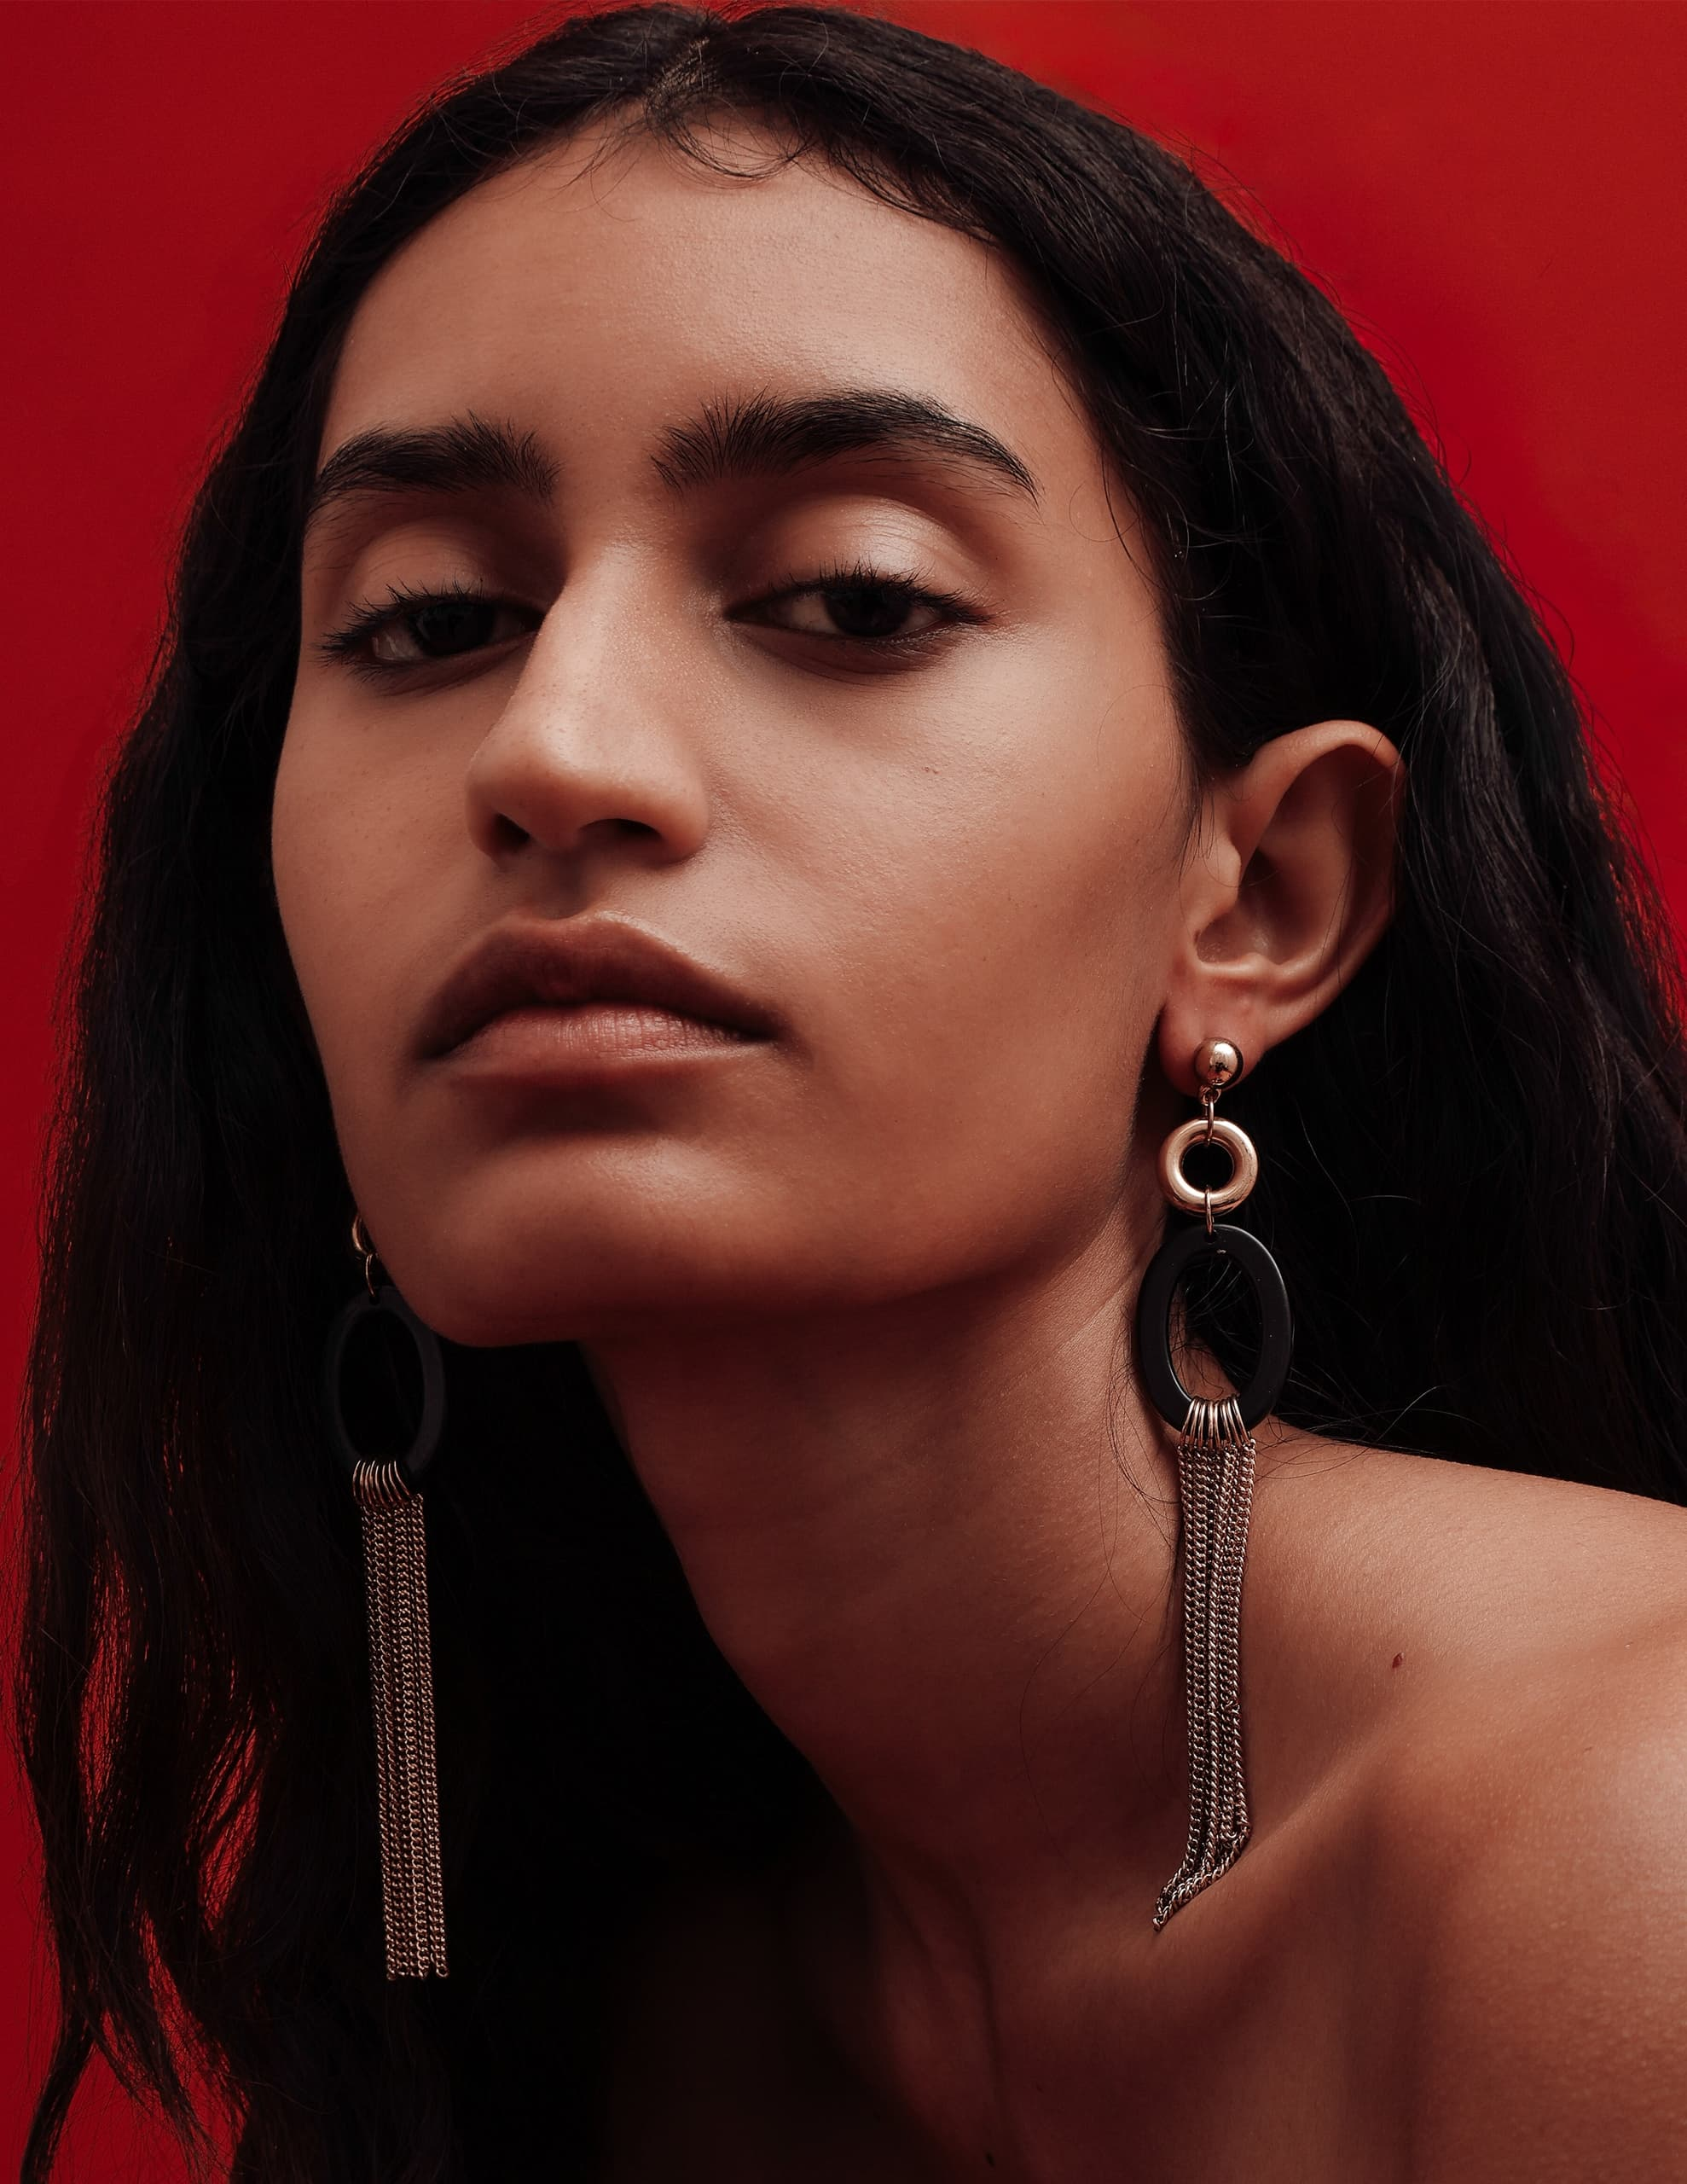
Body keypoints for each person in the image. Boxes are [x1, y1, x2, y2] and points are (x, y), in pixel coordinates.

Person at [17, 3, 1687, 2178]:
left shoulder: (1627, 1837)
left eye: (847, 595)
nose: (552, 751)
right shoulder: (634, 2012)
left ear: (1257, 896)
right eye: (429, 624)